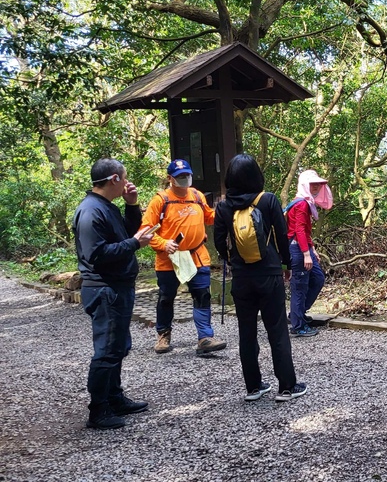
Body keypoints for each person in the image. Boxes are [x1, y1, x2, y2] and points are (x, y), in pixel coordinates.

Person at [213, 154, 307, 402]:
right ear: (256, 175)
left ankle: (253, 387)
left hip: (242, 278)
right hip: (269, 273)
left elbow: (219, 242)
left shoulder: (223, 207)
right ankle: (287, 387)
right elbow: (282, 235)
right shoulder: (268, 200)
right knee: (276, 330)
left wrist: (233, 260)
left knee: (247, 331)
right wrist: (286, 264)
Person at [73, 158, 156, 430]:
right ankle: (98, 410)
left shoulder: (106, 207)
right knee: (107, 351)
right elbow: (97, 255)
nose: (128, 181)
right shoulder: (90, 212)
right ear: (114, 179)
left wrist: (132, 204)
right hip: (104, 289)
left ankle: (115, 397)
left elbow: (128, 233)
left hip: (119, 286)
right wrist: (135, 243)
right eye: (125, 177)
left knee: (119, 346)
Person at [141, 159, 227, 356]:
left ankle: (205, 337)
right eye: (180, 177)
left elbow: (209, 217)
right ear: (170, 178)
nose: (185, 179)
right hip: (168, 259)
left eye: (187, 175)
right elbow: (146, 231)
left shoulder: (196, 196)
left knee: (202, 294)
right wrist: (163, 243)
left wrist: (224, 210)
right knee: (166, 297)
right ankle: (163, 334)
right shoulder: (160, 201)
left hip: (196, 255)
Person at [286, 169, 333, 337]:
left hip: (303, 247)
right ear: (305, 185)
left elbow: (305, 230)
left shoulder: (305, 202)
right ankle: (298, 326)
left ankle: (297, 314)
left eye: (317, 185)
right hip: (298, 249)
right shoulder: (301, 203)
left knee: (318, 278)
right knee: (300, 285)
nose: (316, 188)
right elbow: (298, 229)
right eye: (312, 184)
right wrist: (306, 254)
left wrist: (311, 249)